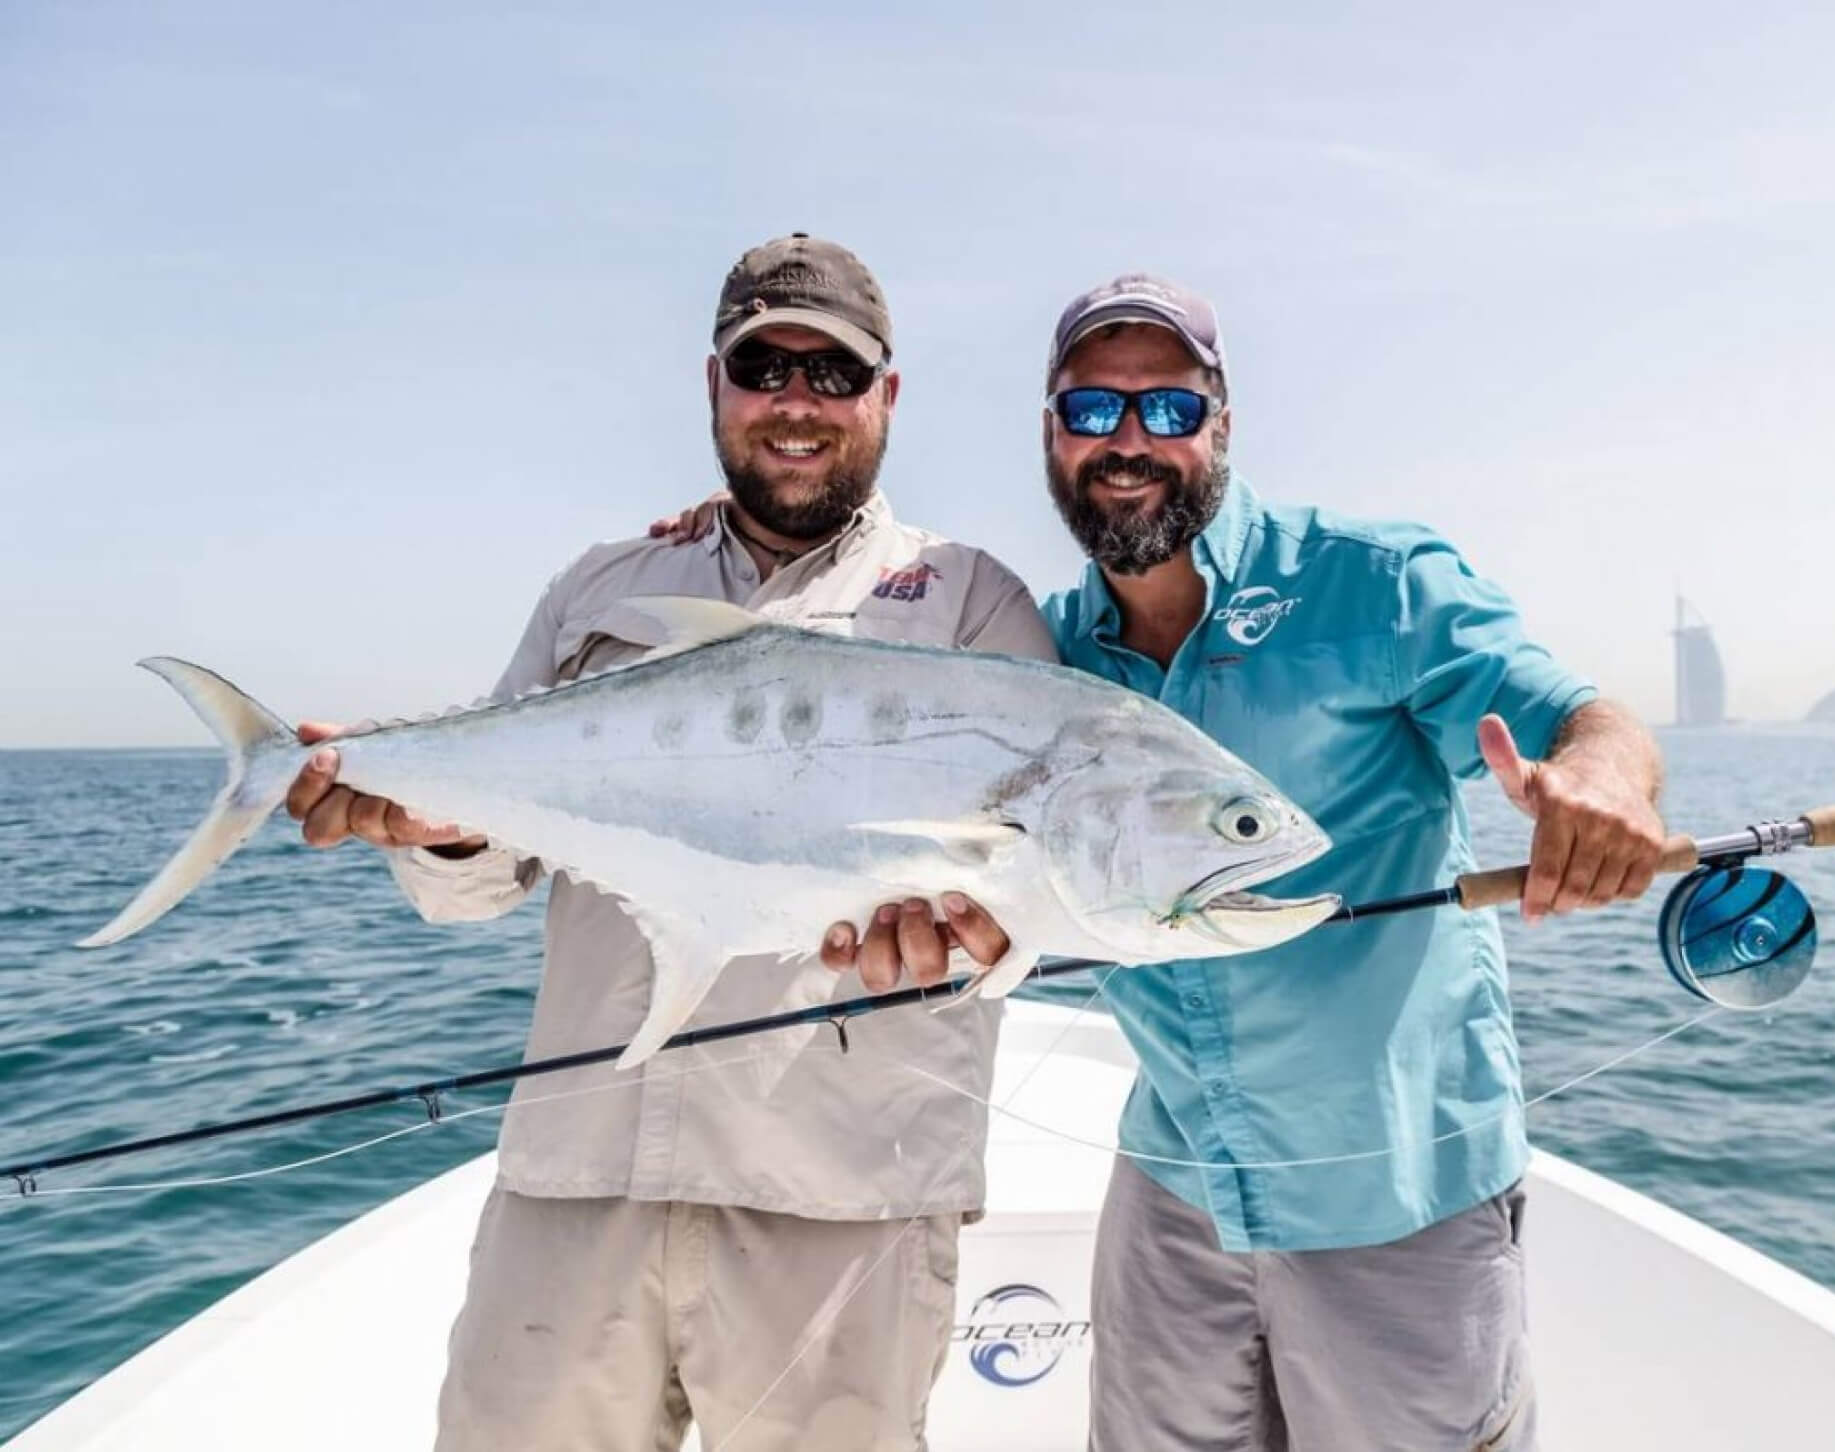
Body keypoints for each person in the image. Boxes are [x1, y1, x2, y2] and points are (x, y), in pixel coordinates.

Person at [660, 273, 1666, 1448]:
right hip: (1175, 1181)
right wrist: (725, 530)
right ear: (1051, 434)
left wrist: (1600, 780)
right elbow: (856, 687)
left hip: (1394, 1189)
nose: (1127, 442)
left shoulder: (1371, 582)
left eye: (1167, 409)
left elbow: (1580, 717)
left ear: (1220, 421)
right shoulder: (1039, 653)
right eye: (1093, 412)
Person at [283, 234, 1051, 1452]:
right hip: (577, 1180)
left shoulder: (969, 604)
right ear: (714, 386)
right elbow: (477, 886)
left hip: (842, 1198)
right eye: (765, 368)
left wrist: (968, 934)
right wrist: (432, 835)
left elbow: (1027, 893)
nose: (797, 405)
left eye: (834, 376)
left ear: (886, 398)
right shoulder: (599, 590)